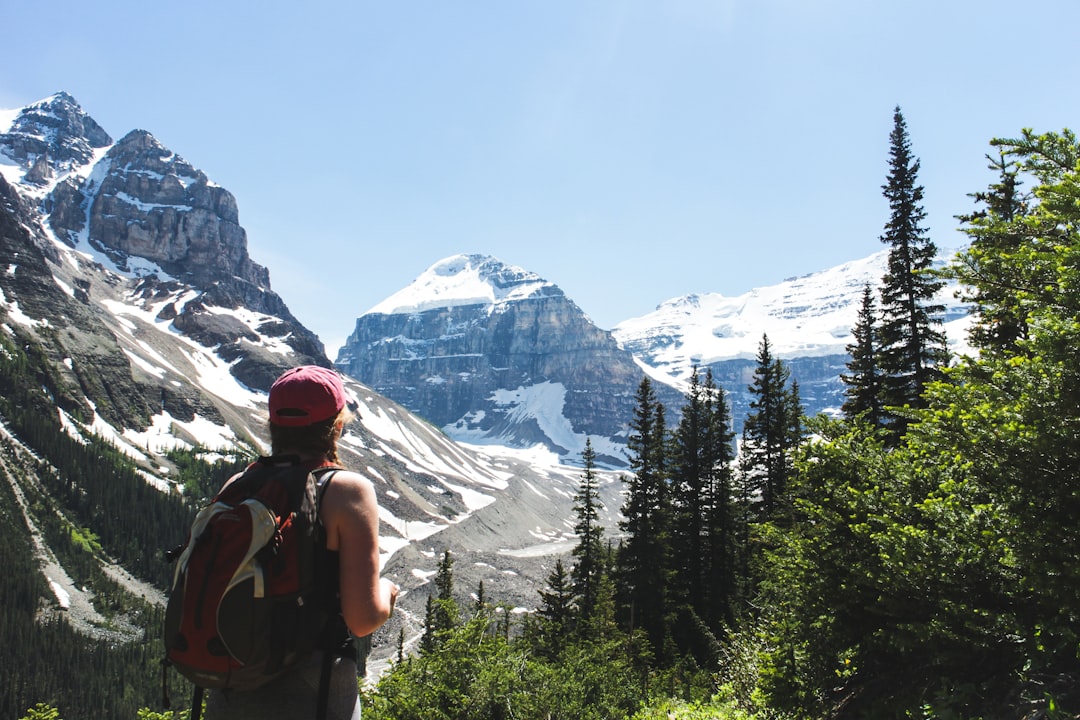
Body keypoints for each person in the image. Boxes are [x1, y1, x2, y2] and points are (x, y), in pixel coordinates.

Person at [205, 365, 398, 720]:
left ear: (273, 424)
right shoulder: (345, 491)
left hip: (230, 687)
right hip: (316, 692)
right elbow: (362, 619)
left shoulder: (238, 485)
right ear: (337, 425)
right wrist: (387, 591)